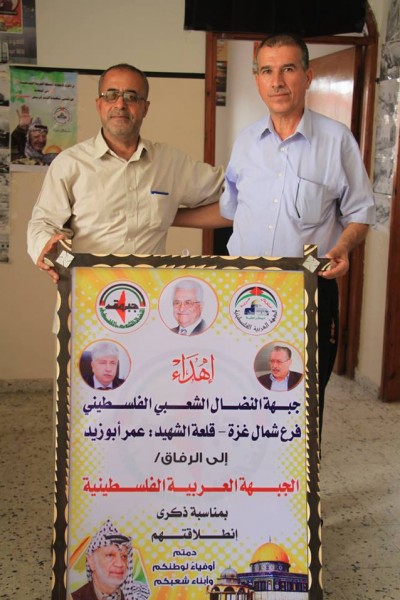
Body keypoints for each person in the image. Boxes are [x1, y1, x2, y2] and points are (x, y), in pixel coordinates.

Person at [219, 33, 376, 430]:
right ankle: (246, 465)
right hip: (244, 288)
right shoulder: (245, 142)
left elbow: (360, 212)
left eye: (288, 69)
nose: (277, 82)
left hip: (309, 291)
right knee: (239, 390)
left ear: (307, 77)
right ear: (257, 79)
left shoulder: (337, 141)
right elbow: (231, 209)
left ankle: (299, 471)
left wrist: (342, 247)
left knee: (303, 398)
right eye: (266, 71)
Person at [27, 63, 230, 283]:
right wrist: (55, 256)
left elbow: (230, 190)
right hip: (88, 292)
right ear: (99, 104)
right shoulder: (70, 164)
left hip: (150, 293)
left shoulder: (170, 163)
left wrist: (169, 213)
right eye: (111, 95)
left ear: (145, 108)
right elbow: (43, 224)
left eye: (131, 97)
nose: (120, 104)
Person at [70, 520, 150, 600]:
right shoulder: (73, 598)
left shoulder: (138, 596)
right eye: (110, 555)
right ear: (92, 562)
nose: (120, 564)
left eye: (124, 556)